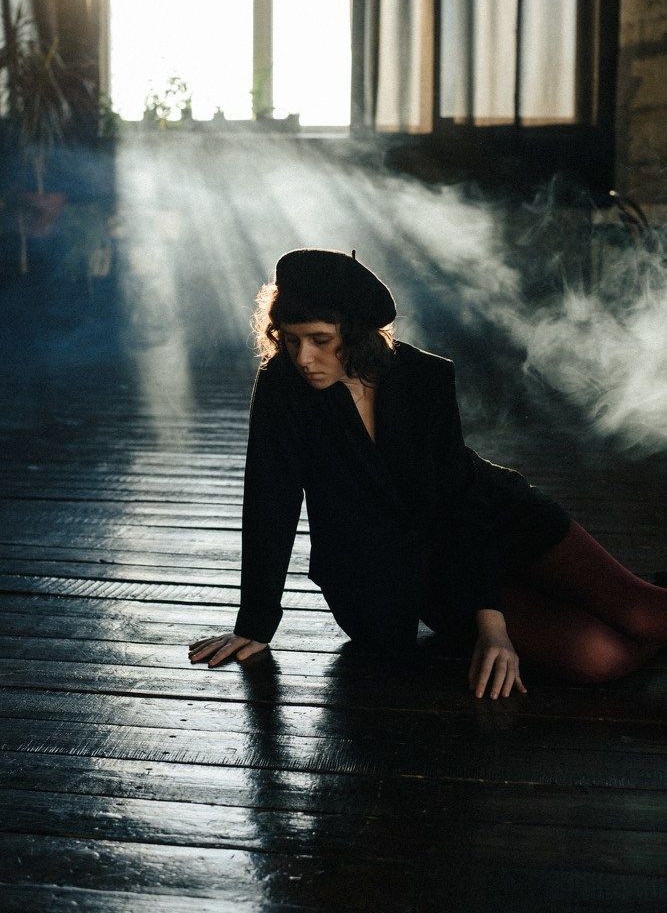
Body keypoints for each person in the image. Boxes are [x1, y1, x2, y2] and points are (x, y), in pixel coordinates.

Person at [188, 248, 667, 698]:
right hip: (424, 569)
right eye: (291, 340)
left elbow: (460, 499)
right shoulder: (282, 388)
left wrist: (492, 624)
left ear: (355, 333)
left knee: (646, 615)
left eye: (320, 340)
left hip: (492, 517)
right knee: (597, 657)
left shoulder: (425, 376)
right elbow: (270, 502)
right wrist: (255, 623)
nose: (303, 358)